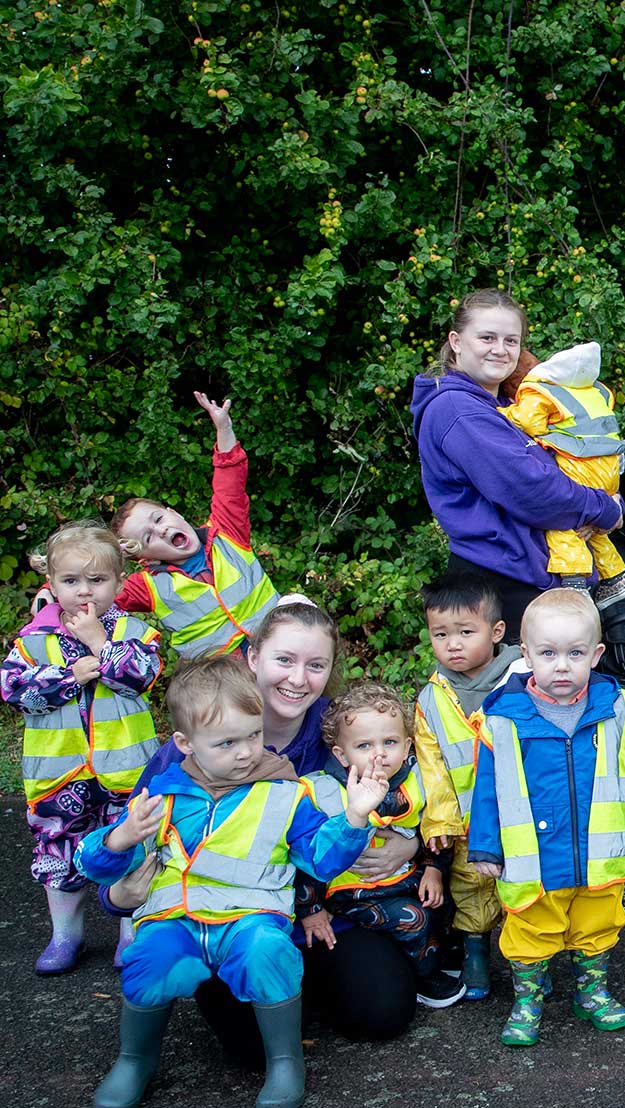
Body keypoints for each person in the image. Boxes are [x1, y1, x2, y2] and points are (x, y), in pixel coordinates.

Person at [75, 656, 381, 1108]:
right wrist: (120, 838)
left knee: (268, 954)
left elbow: (322, 859)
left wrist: (355, 817)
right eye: (227, 742)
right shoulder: (161, 795)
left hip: (251, 920)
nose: (246, 752)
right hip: (175, 919)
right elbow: (96, 868)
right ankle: (134, 1060)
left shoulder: (286, 793)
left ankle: (285, 1062)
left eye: (254, 735)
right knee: (150, 960)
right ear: (185, 743)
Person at [119, 601, 425, 1045]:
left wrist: (412, 845)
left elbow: (410, 786)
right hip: (232, 919)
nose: (298, 679)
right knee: (250, 1046)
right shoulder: (201, 741)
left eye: (315, 665)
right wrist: (119, 897)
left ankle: (308, 981)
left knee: (383, 1016)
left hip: (331, 912)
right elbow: (132, 840)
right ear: (253, 657)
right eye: (284, 660)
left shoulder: (341, 733)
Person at [466, 590, 625, 1046]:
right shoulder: (503, 720)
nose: (561, 666)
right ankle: (528, 998)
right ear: (525, 655)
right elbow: (487, 790)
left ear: (596, 655)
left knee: (598, 923)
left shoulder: (616, 709)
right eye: (548, 654)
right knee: (529, 927)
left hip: (600, 855)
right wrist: (485, 845)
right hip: (532, 861)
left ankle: (592, 990)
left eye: (575, 653)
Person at [409, 289, 625, 625]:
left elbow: (573, 467)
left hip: (539, 580)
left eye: (511, 340)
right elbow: (532, 490)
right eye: (486, 337)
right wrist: (604, 509)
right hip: (502, 585)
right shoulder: (457, 410)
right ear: (456, 341)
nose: (500, 349)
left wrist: (610, 499)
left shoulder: (511, 409)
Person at [3, 522, 161, 973]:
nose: (84, 591)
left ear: (119, 581)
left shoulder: (133, 631)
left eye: (98, 580)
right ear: (51, 584)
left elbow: (140, 677)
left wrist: (99, 642)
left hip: (127, 773)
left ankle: (132, 932)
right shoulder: (33, 639)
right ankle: (65, 936)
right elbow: (12, 689)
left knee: (132, 851)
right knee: (59, 856)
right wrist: (69, 676)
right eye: (71, 581)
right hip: (59, 776)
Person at [297, 683, 464, 1010]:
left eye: (389, 742)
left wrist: (433, 868)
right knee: (412, 917)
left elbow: (433, 829)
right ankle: (424, 976)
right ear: (341, 755)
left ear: (407, 746)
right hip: (351, 890)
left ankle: (440, 952)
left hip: (407, 875)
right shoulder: (324, 792)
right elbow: (310, 858)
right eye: (364, 745)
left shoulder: (417, 780)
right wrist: (311, 909)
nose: (379, 753)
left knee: (444, 899)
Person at [414, 574, 527, 1000]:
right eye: (440, 634)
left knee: (521, 885)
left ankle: (529, 960)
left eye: (465, 632)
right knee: (470, 887)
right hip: (465, 819)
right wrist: (439, 820)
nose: (453, 644)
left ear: (496, 632)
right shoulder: (432, 697)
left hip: (520, 813)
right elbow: (433, 765)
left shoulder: (523, 679)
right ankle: (475, 957)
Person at [109, 390, 279, 659]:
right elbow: (92, 589)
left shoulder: (226, 531)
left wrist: (224, 428)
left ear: (174, 512)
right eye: (149, 537)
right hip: (223, 679)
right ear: (142, 558)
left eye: (159, 519)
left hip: (278, 647)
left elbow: (229, 484)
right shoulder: (145, 586)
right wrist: (51, 591)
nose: (161, 529)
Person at [496, 340, 625, 609]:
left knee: (563, 524)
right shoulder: (585, 388)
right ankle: (615, 578)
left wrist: (503, 413)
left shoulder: (537, 390)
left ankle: (575, 584)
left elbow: (529, 420)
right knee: (596, 530)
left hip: (579, 466)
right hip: (610, 469)